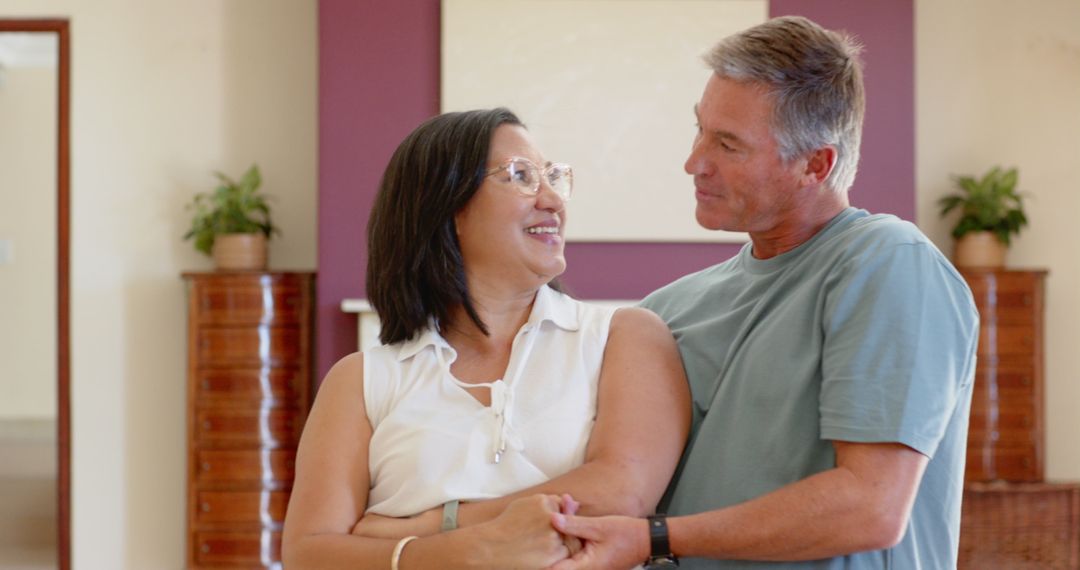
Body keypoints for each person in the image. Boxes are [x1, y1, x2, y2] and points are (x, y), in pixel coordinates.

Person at [550, 15, 979, 570]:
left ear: (814, 165)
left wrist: (655, 538)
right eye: (699, 129)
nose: (694, 162)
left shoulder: (888, 264)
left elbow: (870, 507)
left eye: (728, 144)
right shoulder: (664, 312)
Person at [281, 107, 690, 569]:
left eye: (553, 177)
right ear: (448, 208)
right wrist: (477, 548)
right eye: (521, 176)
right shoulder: (361, 379)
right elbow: (309, 554)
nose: (553, 199)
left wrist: (421, 527)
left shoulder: (625, 337)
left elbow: (622, 493)